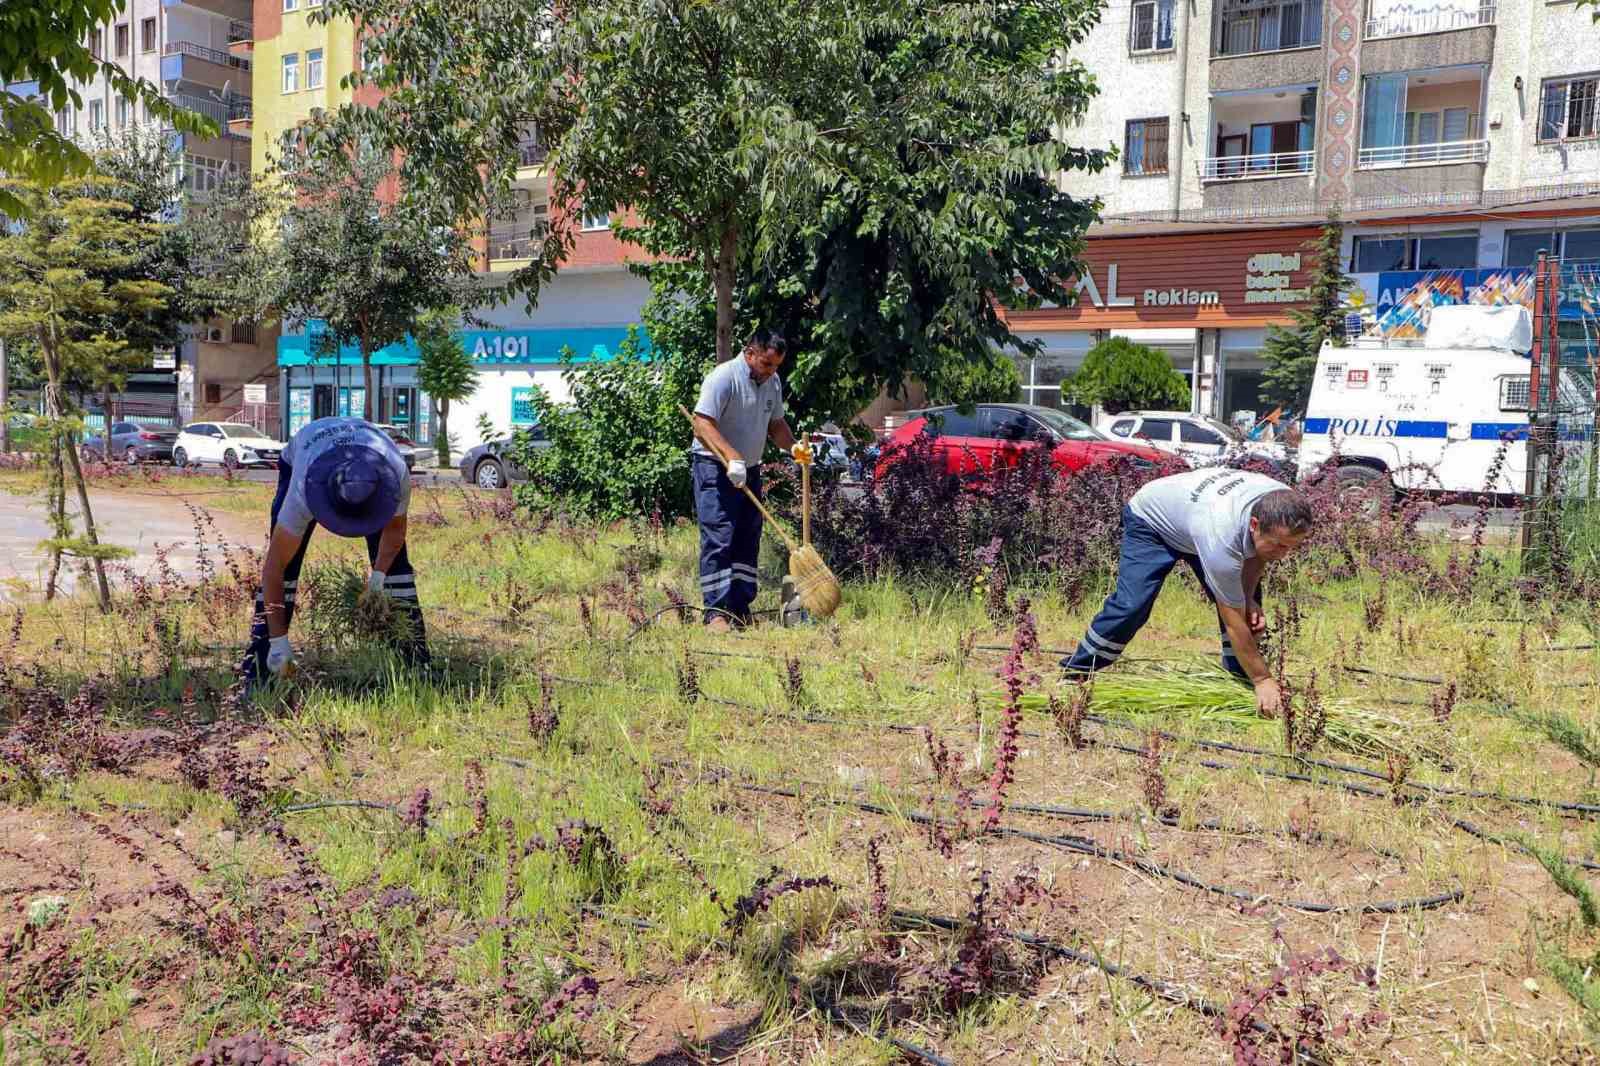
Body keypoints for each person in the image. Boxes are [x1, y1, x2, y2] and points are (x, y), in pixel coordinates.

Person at [1062, 468, 1314, 717]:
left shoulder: (1285, 506)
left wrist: (1248, 598)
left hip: (1196, 517)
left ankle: (1237, 679)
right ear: (1254, 524)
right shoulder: (1221, 536)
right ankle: (1076, 671)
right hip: (1153, 521)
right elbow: (1233, 620)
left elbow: (1258, 553)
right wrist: (1263, 678)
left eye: (1291, 547)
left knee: (1247, 606)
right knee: (1132, 606)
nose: (1283, 555)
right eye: (1279, 545)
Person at [242, 416, 426, 683]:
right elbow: (274, 568)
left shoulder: (394, 475)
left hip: (369, 454)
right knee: (287, 569)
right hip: (304, 455)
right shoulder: (303, 492)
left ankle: (414, 664)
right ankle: (262, 665)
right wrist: (279, 640)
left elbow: (395, 532)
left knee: (396, 568)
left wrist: (378, 580)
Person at [690, 329, 804, 632]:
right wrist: (731, 456)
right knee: (719, 537)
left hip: (749, 469)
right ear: (750, 353)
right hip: (714, 467)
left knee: (747, 537)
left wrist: (792, 446)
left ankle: (739, 609)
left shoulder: (772, 382)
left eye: (776, 366)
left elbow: (776, 424)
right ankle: (715, 612)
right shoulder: (723, 377)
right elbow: (701, 424)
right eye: (767, 364)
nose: (771, 372)